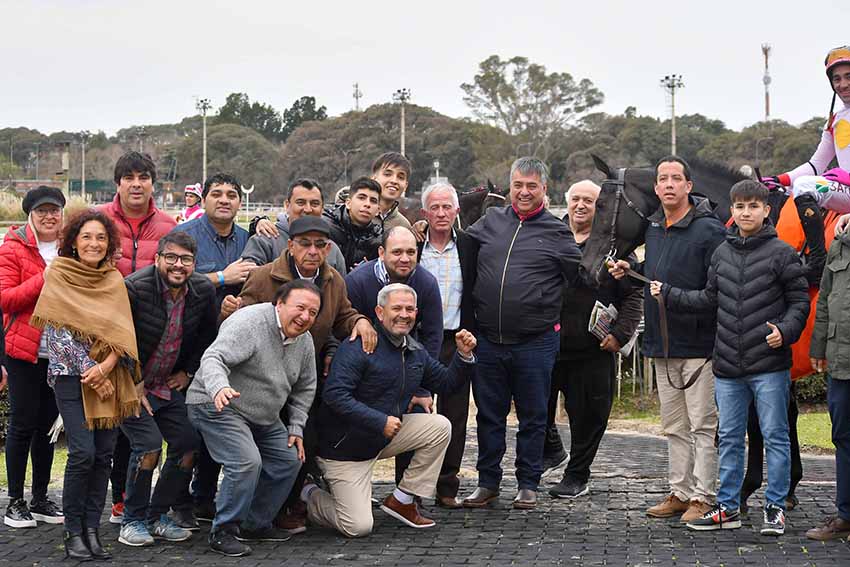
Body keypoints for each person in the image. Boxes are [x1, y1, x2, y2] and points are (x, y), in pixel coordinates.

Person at [650, 180, 809, 535]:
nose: (745, 212)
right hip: (727, 367)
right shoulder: (722, 252)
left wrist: (786, 331)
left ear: (766, 210)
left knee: (776, 436)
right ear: (732, 211)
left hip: (769, 365)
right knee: (730, 438)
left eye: (753, 206)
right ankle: (728, 508)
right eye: (739, 206)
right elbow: (709, 299)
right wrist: (669, 294)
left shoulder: (783, 253)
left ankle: (774, 507)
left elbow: (799, 302)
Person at [227, 215, 376, 532]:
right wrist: (228, 311)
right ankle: (227, 509)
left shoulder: (334, 280)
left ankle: (284, 506)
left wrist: (360, 321)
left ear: (328, 249)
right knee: (252, 450)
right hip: (258, 379)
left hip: (301, 377)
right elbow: (239, 319)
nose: (313, 251)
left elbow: (343, 315)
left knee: (303, 442)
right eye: (305, 244)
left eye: (320, 245)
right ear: (290, 245)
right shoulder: (264, 276)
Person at [304, 283, 477, 537]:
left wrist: (463, 356)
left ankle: (402, 500)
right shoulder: (358, 346)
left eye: (409, 309)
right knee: (358, 526)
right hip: (344, 450)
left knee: (440, 426)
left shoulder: (414, 350)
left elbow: (446, 384)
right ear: (380, 312)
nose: (404, 314)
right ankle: (307, 493)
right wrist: (379, 421)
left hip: (381, 437)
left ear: (416, 313)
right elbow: (335, 395)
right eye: (396, 308)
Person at [609, 156, 726, 522]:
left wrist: (672, 295)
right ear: (656, 188)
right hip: (663, 344)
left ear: (689, 186)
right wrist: (632, 270)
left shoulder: (710, 230)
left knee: (703, 427)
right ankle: (680, 492)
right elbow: (657, 272)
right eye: (663, 179)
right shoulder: (655, 227)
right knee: (674, 427)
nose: (669, 184)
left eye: (677, 178)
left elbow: (716, 291)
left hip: (699, 347)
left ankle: (703, 497)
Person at [462, 157, 581, 510]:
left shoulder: (557, 232)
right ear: (510, 186)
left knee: (533, 417)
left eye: (532, 186)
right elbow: (459, 246)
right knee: (488, 416)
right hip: (488, 340)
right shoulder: (490, 221)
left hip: (536, 341)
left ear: (544, 188)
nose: (524, 192)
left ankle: (528, 483)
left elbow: (579, 277)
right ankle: (487, 483)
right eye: (518, 185)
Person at [31, 209, 142, 561]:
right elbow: (57, 334)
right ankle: (73, 531)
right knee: (83, 453)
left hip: (111, 377)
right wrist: (92, 371)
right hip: (70, 378)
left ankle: (92, 530)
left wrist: (106, 367)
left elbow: (124, 333)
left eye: (101, 238)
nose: (94, 243)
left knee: (104, 454)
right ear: (74, 242)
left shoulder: (114, 280)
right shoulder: (59, 274)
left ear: (109, 244)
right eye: (87, 237)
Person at [186, 280, 319, 557]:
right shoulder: (249, 322)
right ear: (279, 304)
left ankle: (254, 524)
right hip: (217, 404)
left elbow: (306, 386)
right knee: (245, 461)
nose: (305, 316)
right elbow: (213, 357)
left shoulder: (304, 341)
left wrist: (296, 427)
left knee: (289, 459)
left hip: (263, 415)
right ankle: (223, 531)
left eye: (313, 312)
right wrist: (219, 387)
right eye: (300, 307)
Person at [116, 232, 218, 546]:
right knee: (148, 446)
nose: (178, 265)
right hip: (128, 384)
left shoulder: (202, 290)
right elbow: (118, 339)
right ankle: (132, 520)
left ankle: (156, 515)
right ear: (158, 258)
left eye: (186, 259)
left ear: (194, 263)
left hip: (165, 384)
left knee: (188, 445)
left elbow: (207, 336)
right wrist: (133, 382)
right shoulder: (134, 288)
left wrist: (188, 372)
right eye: (171, 257)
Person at [545, 181, 643, 499]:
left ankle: (577, 475)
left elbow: (634, 294)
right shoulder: (551, 235)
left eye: (590, 200)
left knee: (588, 416)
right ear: (566, 202)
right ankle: (551, 451)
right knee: (535, 407)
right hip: (548, 344)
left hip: (593, 349)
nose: (581, 205)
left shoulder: (616, 247)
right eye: (576, 199)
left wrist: (620, 335)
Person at [99, 151, 177, 523]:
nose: (136, 184)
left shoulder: (167, 225)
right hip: (104, 335)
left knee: (139, 422)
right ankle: (115, 499)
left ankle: (132, 500)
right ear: (118, 183)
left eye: (143, 177)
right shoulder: (100, 219)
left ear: (152, 183)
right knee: (111, 428)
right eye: (128, 177)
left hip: (150, 336)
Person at [172, 172, 255, 519]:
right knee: (186, 433)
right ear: (203, 199)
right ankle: (176, 503)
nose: (224, 199)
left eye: (231, 194)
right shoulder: (184, 236)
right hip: (187, 346)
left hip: (234, 350)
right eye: (217, 193)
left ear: (239, 202)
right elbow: (170, 281)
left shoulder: (249, 239)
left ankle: (205, 497)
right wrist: (221, 278)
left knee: (219, 421)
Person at [0, 186, 66, 529]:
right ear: (30, 214)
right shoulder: (12, 247)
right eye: (42, 211)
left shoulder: (70, 246)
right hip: (23, 351)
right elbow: (6, 299)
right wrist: (44, 277)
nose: (49, 216)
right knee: (22, 424)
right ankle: (15, 501)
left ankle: (40, 498)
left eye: (54, 210)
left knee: (47, 427)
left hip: (59, 353)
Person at [761, 47, 850, 285]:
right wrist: (780, 179)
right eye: (837, 79)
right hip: (845, 192)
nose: (842, 84)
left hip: (846, 187)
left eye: (848, 76)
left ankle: (817, 262)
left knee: (805, 186)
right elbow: (815, 164)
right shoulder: (835, 120)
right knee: (794, 189)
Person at [416, 182, 478, 508]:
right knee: (415, 411)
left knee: (455, 415)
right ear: (424, 213)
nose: (441, 213)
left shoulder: (469, 246)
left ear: (456, 211)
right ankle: (410, 488)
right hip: (418, 341)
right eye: (434, 208)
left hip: (457, 340)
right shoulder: (413, 245)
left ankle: (447, 485)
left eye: (446, 207)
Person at [807, 221, 850, 541]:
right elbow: (824, 298)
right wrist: (819, 345)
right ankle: (846, 515)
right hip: (840, 359)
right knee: (843, 436)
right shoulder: (839, 242)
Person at [241, 178, 346, 274]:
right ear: (287, 205)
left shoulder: (332, 249)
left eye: (314, 204)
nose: (308, 209)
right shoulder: (264, 241)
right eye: (301, 203)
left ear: (322, 208)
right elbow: (249, 280)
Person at [323, 176, 383, 272]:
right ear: (348, 203)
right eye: (361, 198)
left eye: (373, 201)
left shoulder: (378, 240)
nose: (367, 204)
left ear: (378, 210)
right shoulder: (326, 225)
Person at [372, 152, 413, 230]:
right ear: (374, 179)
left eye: (400, 177)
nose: (394, 181)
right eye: (387, 174)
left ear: (405, 186)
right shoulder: (356, 214)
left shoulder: (404, 226)